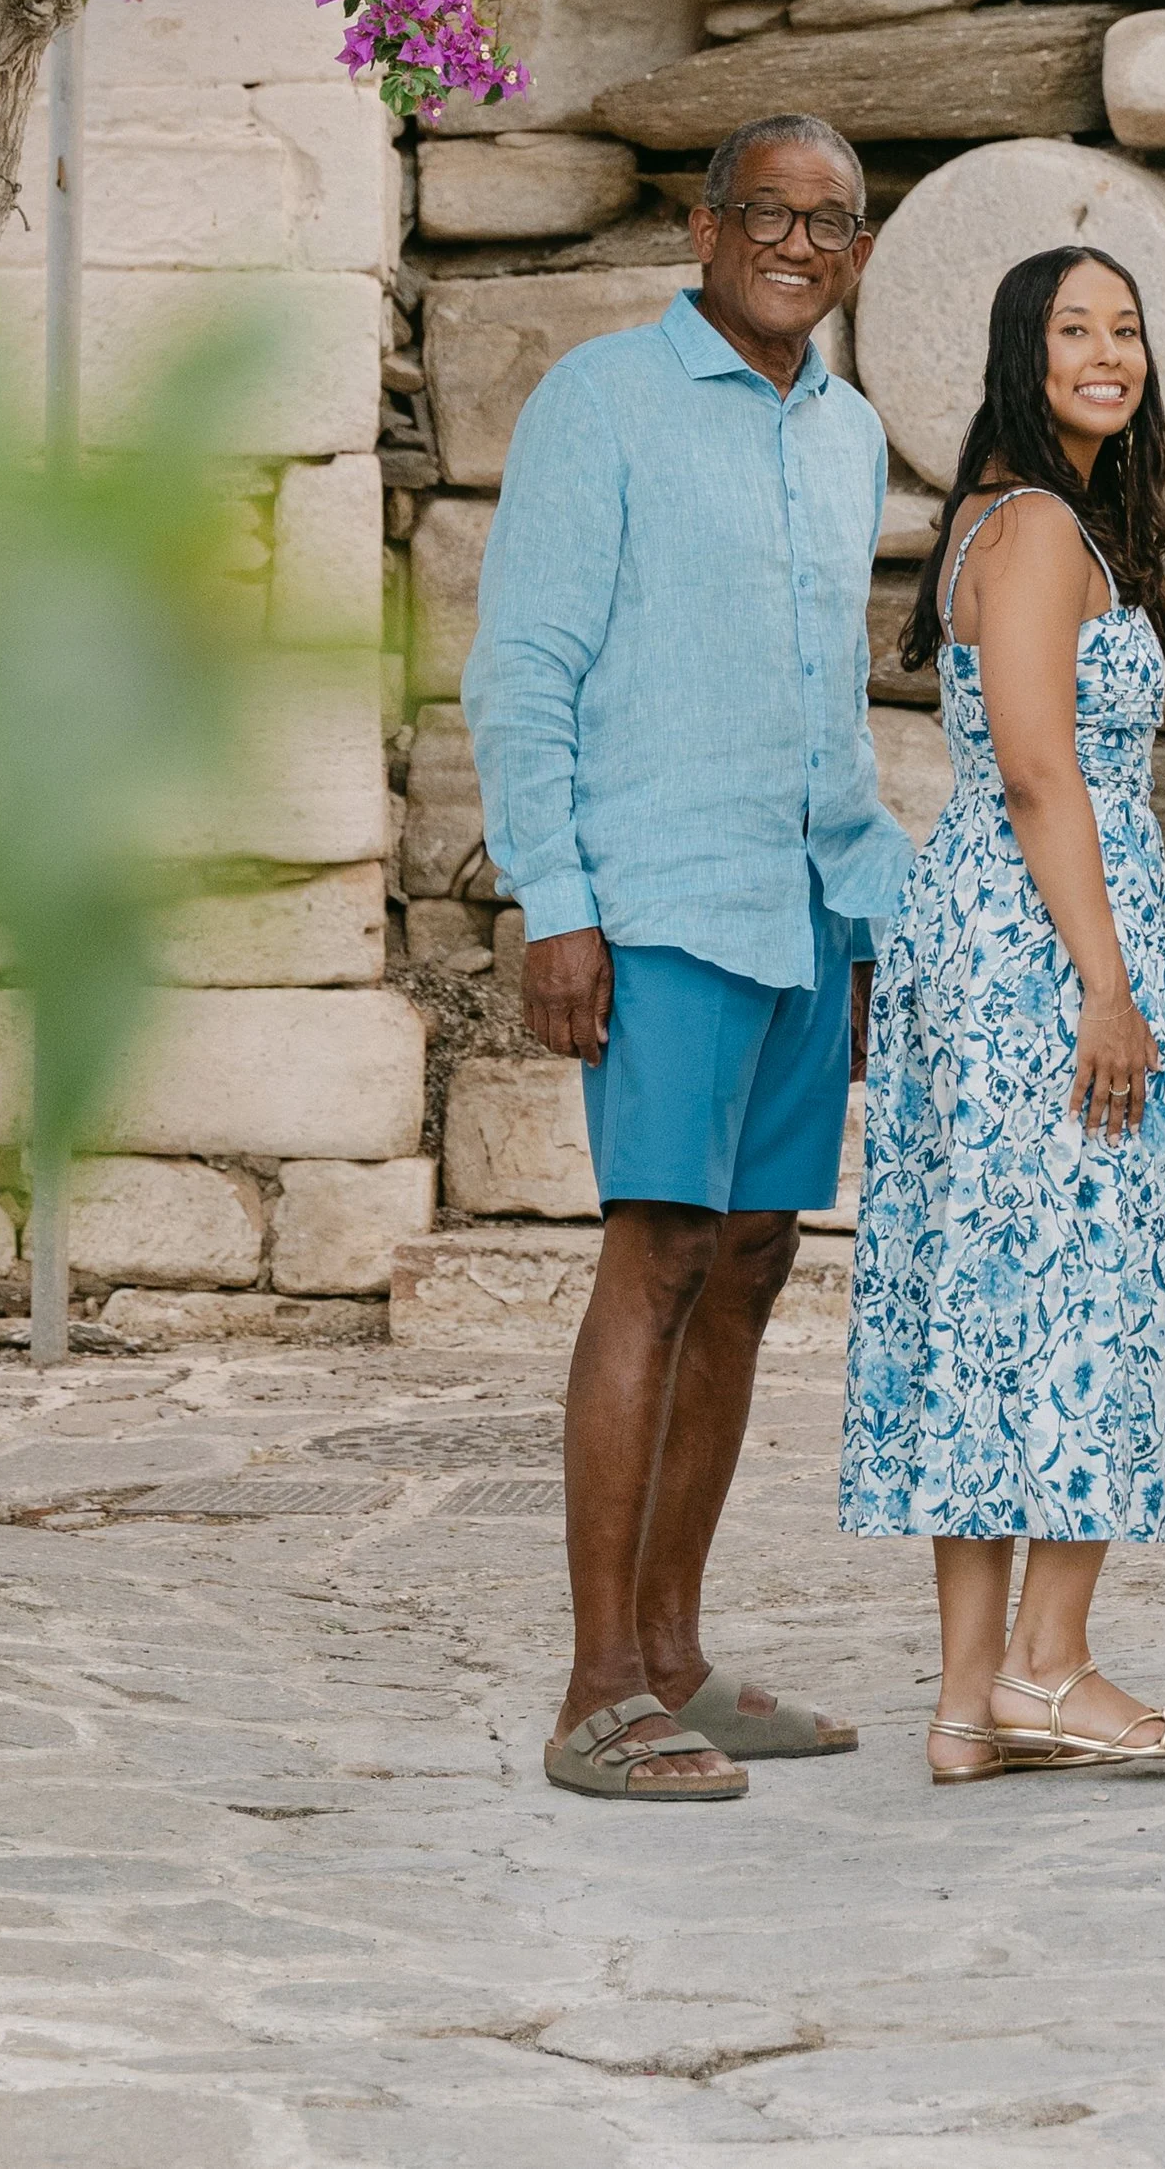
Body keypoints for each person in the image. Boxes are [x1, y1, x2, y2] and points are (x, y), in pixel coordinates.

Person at [465, 113, 914, 1798]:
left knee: (751, 1265)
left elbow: (830, 699)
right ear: (708, 229)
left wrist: (861, 915)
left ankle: (673, 1658)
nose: (801, 245)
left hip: (802, 902)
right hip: (655, 901)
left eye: (834, 223)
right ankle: (595, 1690)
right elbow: (523, 668)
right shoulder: (604, 403)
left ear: (857, 253)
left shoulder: (854, 432)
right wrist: (554, 897)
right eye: (770, 214)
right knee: (656, 1256)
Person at [842, 246, 1165, 1784]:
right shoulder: (1047, 525)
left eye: (1127, 328)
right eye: (1075, 328)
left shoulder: (995, 521)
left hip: (984, 937)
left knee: (993, 1297)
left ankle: (966, 1698)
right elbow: (1041, 768)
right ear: (1019, 352)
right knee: (1088, 1279)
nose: (1109, 352)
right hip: (1049, 944)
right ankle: (1053, 1668)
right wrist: (1110, 982)